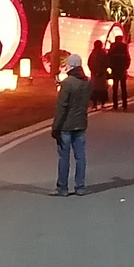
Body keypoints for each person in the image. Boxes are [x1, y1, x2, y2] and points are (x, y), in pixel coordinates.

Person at [52, 54, 91, 195]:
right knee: (80, 157)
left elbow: (62, 106)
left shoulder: (68, 83)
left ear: (70, 65)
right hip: (80, 123)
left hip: (66, 126)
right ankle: (80, 186)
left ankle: (62, 187)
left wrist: (56, 126)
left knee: (64, 157)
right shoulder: (87, 83)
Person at [108, 36, 130, 111]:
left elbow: (109, 57)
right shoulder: (124, 47)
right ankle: (124, 105)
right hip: (122, 70)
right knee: (123, 88)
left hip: (115, 70)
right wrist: (126, 67)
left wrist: (110, 67)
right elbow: (128, 58)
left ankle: (115, 105)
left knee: (115, 88)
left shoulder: (113, 47)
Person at [90, 39, 109, 108]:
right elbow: (106, 63)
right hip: (102, 74)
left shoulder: (93, 53)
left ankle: (94, 104)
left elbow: (89, 63)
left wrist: (93, 71)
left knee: (94, 89)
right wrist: (103, 70)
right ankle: (102, 103)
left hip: (94, 75)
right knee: (102, 89)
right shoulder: (103, 53)